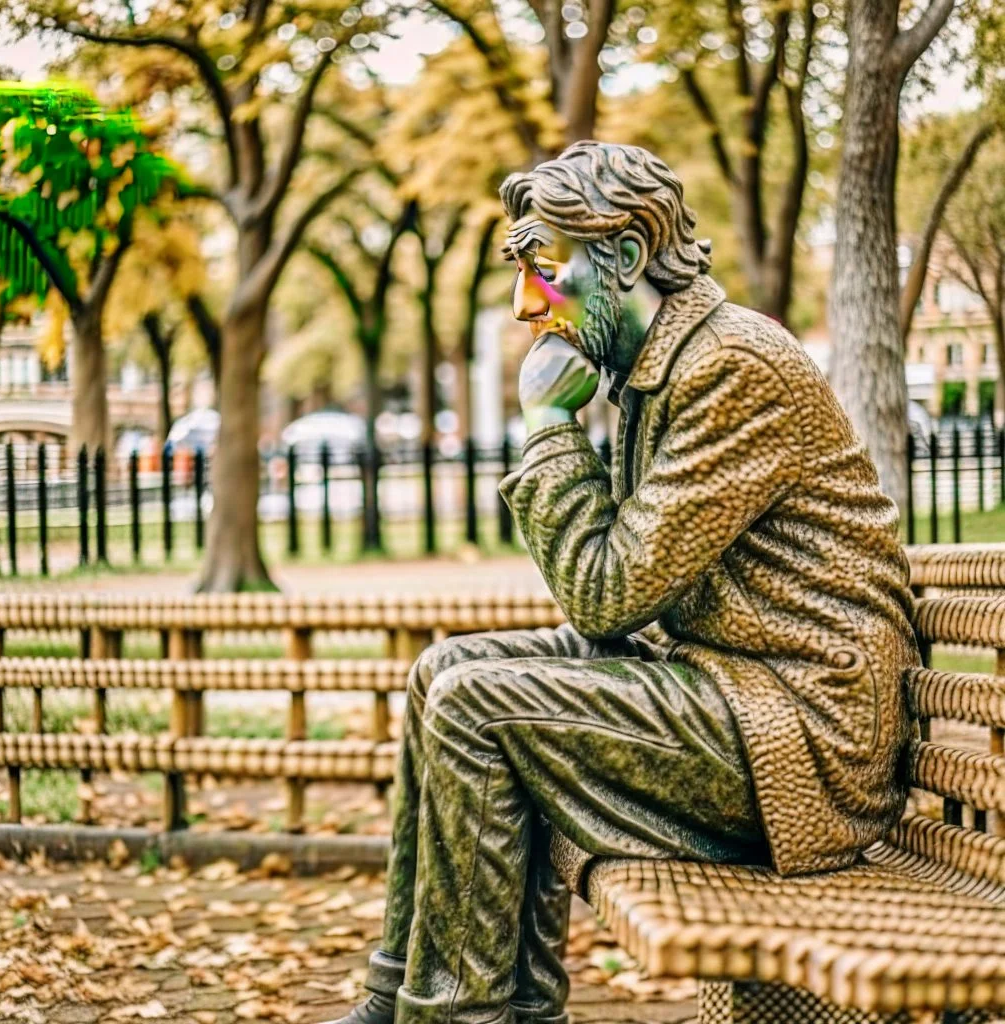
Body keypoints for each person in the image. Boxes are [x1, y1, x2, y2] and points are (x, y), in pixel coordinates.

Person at [322, 141, 918, 1024]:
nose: (531, 305)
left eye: (549, 273)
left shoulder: (730, 368)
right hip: (739, 691)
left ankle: (462, 1019)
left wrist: (546, 428)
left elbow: (604, 595)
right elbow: (613, 595)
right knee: (443, 674)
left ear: (628, 258)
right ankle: (401, 1002)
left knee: (477, 708)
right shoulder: (656, 370)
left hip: (807, 739)